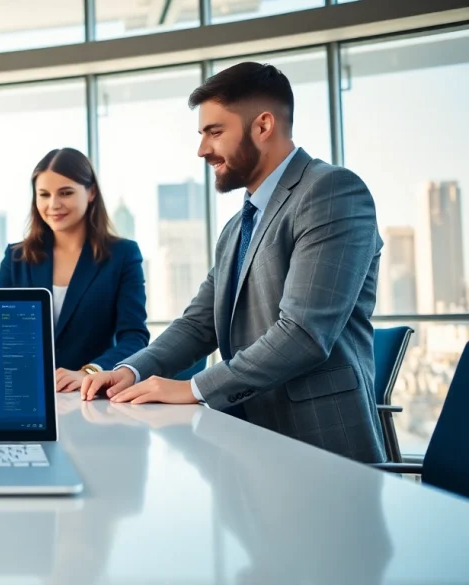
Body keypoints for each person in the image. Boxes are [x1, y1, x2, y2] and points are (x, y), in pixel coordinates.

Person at [82, 62, 386, 463]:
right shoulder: (237, 227)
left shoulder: (331, 192)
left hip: (319, 442)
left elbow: (303, 334)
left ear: (263, 126)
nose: (202, 150)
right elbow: (198, 324)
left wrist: (191, 389)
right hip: (243, 439)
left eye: (215, 132)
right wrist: (130, 371)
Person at [0, 147, 149, 393]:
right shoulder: (16, 258)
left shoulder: (123, 255)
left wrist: (88, 372)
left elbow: (134, 337)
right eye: (43, 195)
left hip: (90, 396)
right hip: (24, 392)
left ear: (91, 193)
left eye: (65, 193)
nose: (53, 204)